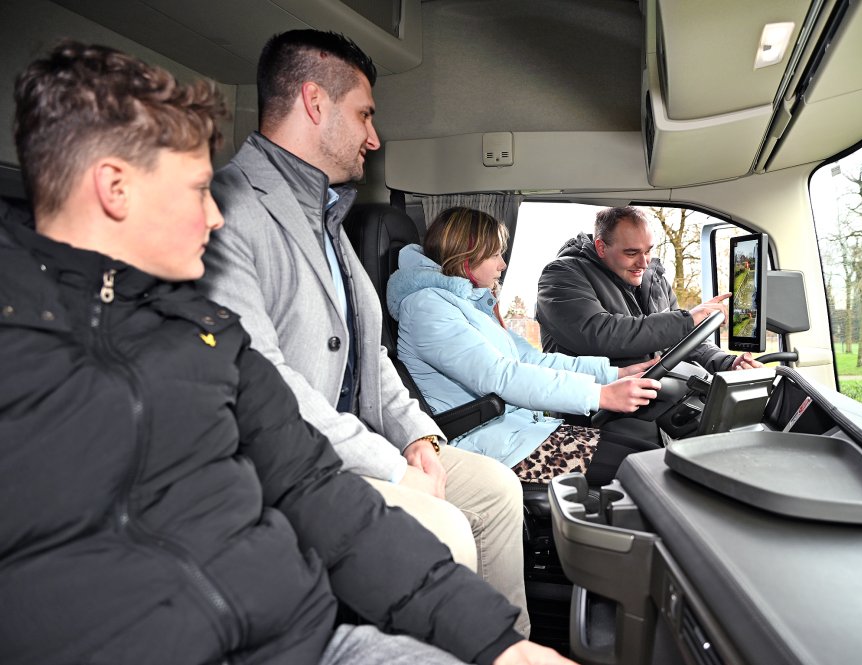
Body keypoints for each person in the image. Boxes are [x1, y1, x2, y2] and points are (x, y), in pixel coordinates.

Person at [0, 41, 571, 665]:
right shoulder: (33, 354)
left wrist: (501, 647)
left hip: (304, 635)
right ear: (115, 189)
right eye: (197, 190)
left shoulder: (206, 329)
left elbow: (314, 484)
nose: (217, 215)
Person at [198, 29, 529, 634]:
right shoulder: (228, 208)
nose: (374, 138)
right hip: (288, 466)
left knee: (497, 490)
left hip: (363, 448)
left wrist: (417, 440)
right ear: (314, 104)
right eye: (365, 115)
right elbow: (262, 382)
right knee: (443, 528)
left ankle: (510, 647)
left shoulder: (329, 218)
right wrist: (394, 467)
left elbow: (369, 354)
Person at [386, 207, 662, 485]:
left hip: (520, 433)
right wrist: (600, 396)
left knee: (648, 458)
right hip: (490, 446)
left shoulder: (468, 305)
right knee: (649, 471)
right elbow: (500, 376)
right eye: (495, 254)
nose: (502, 265)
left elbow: (533, 360)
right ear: (466, 255)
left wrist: (615, 374)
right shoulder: (427, 307)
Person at [536, 206, 763, 372]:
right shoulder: (561, 276)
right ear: (601, 247)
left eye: (648, 251)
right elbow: (600, 333)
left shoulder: (653, 277)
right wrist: (686, 319)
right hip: (597, 410)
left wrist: (726, 363)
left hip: (652, 398)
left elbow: (683, 340)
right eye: (632, 253)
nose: (643, 263)